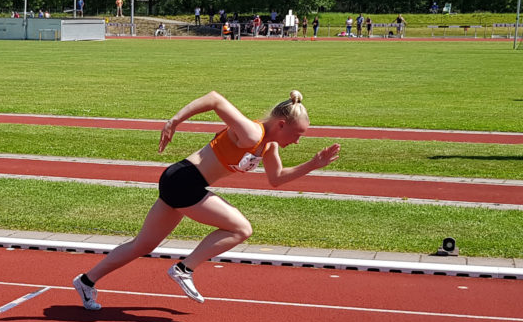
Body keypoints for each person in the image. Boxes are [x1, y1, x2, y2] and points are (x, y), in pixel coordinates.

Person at [72, 91, 341, 310]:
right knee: (241, 228)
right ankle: (184, 269)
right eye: (297, 134)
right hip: (184, 180)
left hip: (180, 181)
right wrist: (174, 121)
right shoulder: (252, 133)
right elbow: (214, 99)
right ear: (281, 124)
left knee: (143, 244)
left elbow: (277, 179)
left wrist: (313, 164)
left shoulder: (267, 146)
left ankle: (86, 280)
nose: (296, 141)